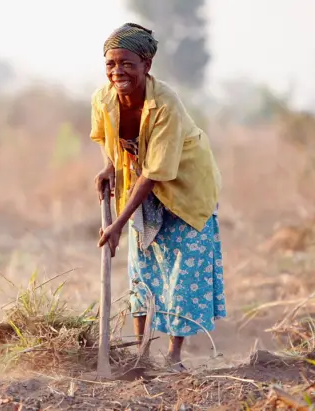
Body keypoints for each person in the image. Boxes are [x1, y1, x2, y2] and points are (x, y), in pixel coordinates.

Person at [91, 23, 226, 371]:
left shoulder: (165, 103)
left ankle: (173, 358)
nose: (117, 72)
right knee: (143, 270)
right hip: (142, 183)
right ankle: (141, 355)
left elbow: (156, 172)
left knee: (182, 274)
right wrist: (109, 167)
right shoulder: (102, 98)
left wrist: (118, 223)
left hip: (184, 187)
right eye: (111, 64)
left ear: (146, 65)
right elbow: (110, 140)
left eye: (126, 64)